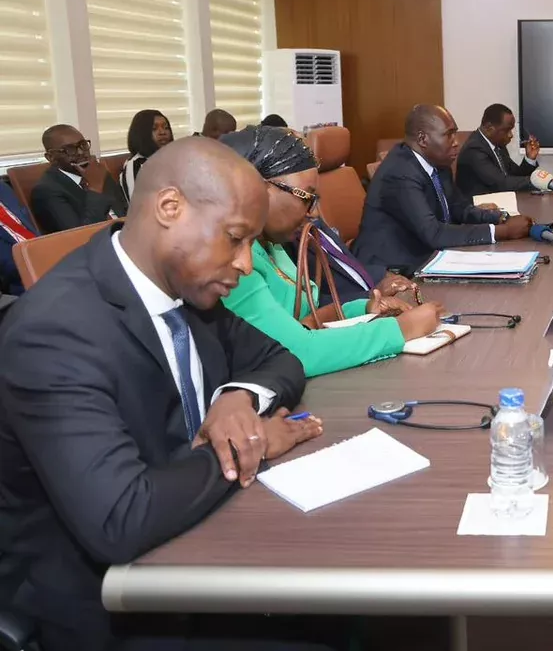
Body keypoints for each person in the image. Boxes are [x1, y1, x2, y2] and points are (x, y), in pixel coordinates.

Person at [0, 137, 321, 651]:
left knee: (350, 609)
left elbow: (281, 359)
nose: (244, 263)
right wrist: (251, 444)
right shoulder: (54, 333)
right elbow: (120, 519)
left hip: (192, 543)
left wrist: (236, 398)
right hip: (110, 606)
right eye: (235, 238)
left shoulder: (182, 286)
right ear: (170, 208)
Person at [219, 126, 442, 378]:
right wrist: (401, 330)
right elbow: (297, 351)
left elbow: (306, 315)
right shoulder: (232, 265)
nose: (314, 212)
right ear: (257, 189)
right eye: (306, 197)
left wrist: (363, 308)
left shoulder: (273, 245)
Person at [354, 105, 534, 275]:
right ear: (422, 139)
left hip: (428, 253)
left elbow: (459, 208)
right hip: (391, 268)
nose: (456, 142)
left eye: (455, 133)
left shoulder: (438, 163)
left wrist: (500, 218)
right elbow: (434, 233)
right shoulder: (400, 172)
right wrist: (503, 231)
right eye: (449, 135)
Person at [30, 124, 127, 233]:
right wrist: (95, 188)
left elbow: (125, 211)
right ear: (51, 157)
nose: (81, 152)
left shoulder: (97, 172)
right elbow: (81, 234)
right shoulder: (46, 191)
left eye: (83, 145)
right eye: (69, 149)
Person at [455, 103, 553, 197]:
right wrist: (544, 182)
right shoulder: (474, 150)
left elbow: (514, 176)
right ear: (489, 128)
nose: (511, 135)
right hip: (478, 210)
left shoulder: (498, 146)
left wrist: (529, 159)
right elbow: (501, 183)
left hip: (499, 203)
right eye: (507, 130)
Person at [119, 108, 174, 201]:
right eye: (154, 129)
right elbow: (138, 204)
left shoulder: (172, 159)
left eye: (166, 127)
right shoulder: (136, 165)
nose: (162, 132)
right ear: (141, 134)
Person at [0, 180, 38, 295]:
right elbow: (8, 267)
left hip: (44, 256)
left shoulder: (3, 189)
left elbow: (28, 229)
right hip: (22, 279)